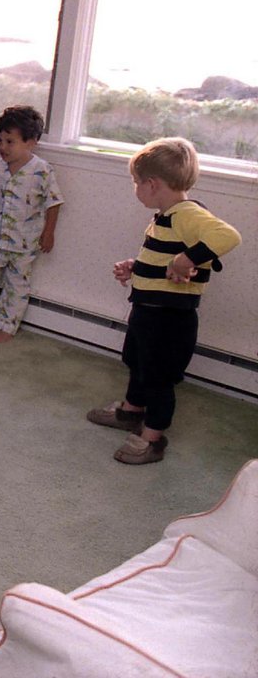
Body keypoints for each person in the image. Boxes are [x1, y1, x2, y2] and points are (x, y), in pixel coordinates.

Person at [86, 138, 240, 465]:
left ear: (152, 184)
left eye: (136, 183)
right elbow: (162, 258)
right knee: (137, 362)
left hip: (170, 318)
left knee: (158, 376)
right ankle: (131, 411)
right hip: (148, 310)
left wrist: (187, 259)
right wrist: (135, 267)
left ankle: (152, 439)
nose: (135, 189)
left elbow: (228, 236)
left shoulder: (186, 213)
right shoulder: (166, 215)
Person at [0, 106, 63, 343]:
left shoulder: (41, 170)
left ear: (31, 142)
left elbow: (54, 202)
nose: (2, 147)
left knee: (16, 286)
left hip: (25, 242)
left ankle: (6, 326)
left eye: (10, 141)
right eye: (0, 140)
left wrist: (49, 233)